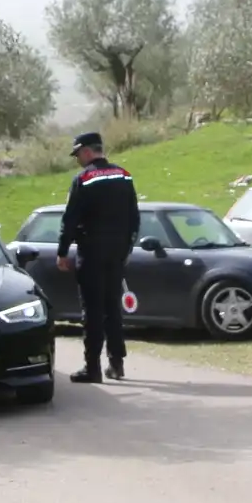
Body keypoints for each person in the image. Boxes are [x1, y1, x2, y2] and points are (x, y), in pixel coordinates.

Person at [55, 130, 141, 383]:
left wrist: (62, 252)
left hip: (91, 252)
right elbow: (134, 217)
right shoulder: (123, 175)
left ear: (87, 151)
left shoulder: (84, 178)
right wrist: (126, 249)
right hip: (116, 254)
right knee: (112, 308)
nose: (77, 159)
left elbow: (70, 220)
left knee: (92, 310)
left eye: (78, 154)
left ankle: (92, 367)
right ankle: (117, 363)